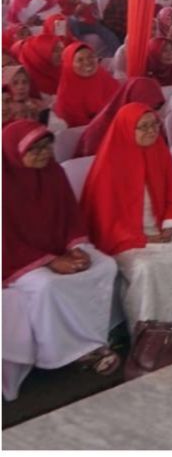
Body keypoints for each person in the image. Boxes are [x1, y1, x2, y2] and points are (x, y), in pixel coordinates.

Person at [2, 121, 121, 400]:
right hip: (16, 259)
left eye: (47, 146)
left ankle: (94, 339)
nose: (44, 154)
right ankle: (60, 354)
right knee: (46, 286)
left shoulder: (53, 171)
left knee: (105, 266)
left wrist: (75, 246)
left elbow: (70, 215)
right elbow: (5, 239)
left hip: (57, 249)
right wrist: (49, 262)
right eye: (35, 149)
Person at [80, 105, 172, 324]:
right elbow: (105, 221)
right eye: (143, 127)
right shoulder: (109, 165)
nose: (151, 131)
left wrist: (170, 225)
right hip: (125, 239)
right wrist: (142, 238)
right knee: (145, 268)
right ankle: (148, 332)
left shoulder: (159, 151)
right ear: (127, 130)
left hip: (162, 229)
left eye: (154, 125)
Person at [75, 77, 165, 158]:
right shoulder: (100, 132)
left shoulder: (153, 123)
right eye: (145, 107)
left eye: (156, 107)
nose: (152, 113)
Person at [51, 42, 118, 128]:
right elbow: (78, 124)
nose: (87, 62)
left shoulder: (103, 76)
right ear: (69, 65)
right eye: (80, 60)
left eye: (90, 57)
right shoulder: (67, 92)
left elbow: (119, 101)